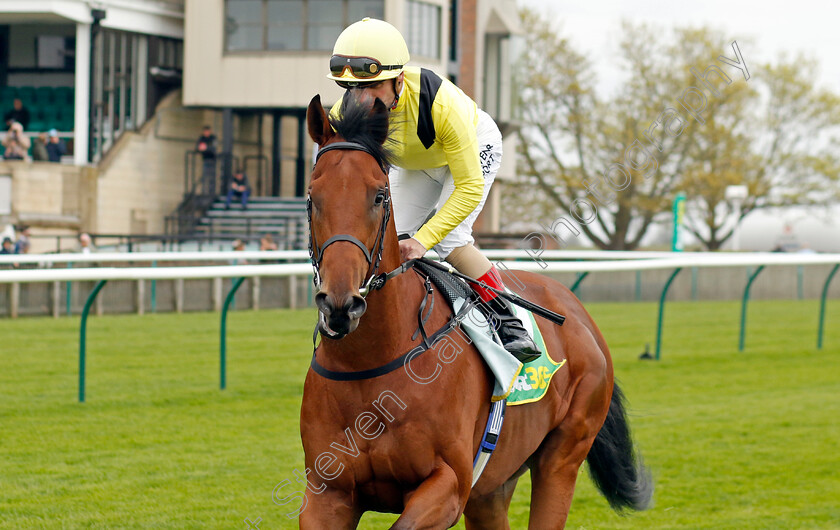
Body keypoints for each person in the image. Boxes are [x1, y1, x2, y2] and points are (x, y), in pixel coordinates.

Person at [326, 18, 539, 362]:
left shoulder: (442, 105)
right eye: (352, 89)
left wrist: (424, 240)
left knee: (449, 238)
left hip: (472, 149)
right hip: (419, 165)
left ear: (398, 80)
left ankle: (507, 320)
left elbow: (468, 188)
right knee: (389, 235)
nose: (361, 100)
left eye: (373, 87)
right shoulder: (344, 114)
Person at [196, 125, 217, 193]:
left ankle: (211, 192)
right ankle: (204, 191)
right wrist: (202, 148)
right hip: (205, 159)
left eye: (207, 131)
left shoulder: (213, 138)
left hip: (212, 159)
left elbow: (213, 148)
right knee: (204, 176)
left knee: (212, 176)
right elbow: (197, 148)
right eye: (205, 131)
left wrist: (206, 148)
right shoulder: (201, 138)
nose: (206, 133)